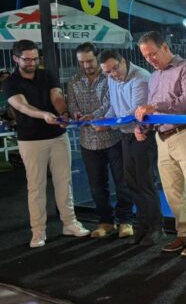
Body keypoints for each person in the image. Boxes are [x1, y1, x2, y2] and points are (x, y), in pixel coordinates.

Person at [3, 39, 89, 247]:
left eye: (35, 58)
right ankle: (38, 231)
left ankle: (69, 223)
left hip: (58, 136)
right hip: (31, 140)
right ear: (16, 58)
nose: (32, 62)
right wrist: (43, 115)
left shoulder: (46, 74)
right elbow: (21, 106)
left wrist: (63, 112)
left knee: (64, 181)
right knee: (36, 187)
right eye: (27, 59)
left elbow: (56, 96)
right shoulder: (10, 82)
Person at [135, 31, 186, 256]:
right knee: (173, 190)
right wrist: (144, 127)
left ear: (165, 47)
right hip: (163, 137)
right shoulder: (154, 77)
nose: (150, 59)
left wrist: (156, 108)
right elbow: (151, 108)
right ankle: (183, 232)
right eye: (146, 56)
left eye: (153, 54)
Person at [66, 42, 133, 239]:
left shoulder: (110, 77)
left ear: (97, 57)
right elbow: (72, 105)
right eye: (82, 62)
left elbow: (110, 104)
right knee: (96, 185)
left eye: (89, 60)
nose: (86, 65)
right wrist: (76, 114)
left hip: (114, 137)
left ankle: (126, 220)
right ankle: (105, 221)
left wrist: (92, 116)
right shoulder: (73, 81)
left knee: (122, 183)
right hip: (88, 141)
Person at [99, 50, 164, 246]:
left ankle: (156, 228)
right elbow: (115, 108)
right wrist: (105, 119)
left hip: (143, 134)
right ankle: (142, 226)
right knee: (131, 182)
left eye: (115, 69)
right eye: (107, 72)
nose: (112, 74)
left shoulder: (141, 78)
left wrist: (108, 123)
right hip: (126, 135)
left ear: (123, 61)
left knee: (145, 182)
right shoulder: (111, 78)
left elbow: (134, 113)